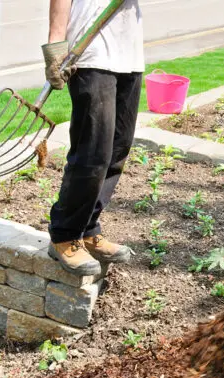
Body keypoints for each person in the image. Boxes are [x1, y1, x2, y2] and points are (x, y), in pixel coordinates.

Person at [40, 0, 144, 275]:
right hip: (91, 54)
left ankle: (88, 228)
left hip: (129, 51)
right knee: (93, 153)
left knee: (117, 148)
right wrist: (55, 41)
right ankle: (64, 234)